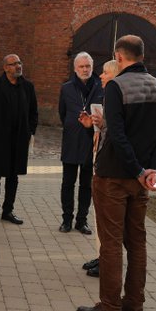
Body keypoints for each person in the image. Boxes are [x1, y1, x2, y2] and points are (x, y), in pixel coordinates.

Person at [77, 34, 156, 311]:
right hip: (141, 179)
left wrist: (137, 170)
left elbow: (116, 134)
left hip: (114, 176)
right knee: (137, 242)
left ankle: (109, 307)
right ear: (142, 55)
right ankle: (134, 303)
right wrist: (151, 169)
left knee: (111, 243)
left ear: (119, 57)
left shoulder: (117, 86)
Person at [0, 54, 39, 224]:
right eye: (13, 64)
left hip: (19, 140)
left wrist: (29, 131)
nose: (18, 66)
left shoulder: (27, 87)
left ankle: (8, 210)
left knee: (13, 177)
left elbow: (33, 112)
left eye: (19, 63)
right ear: (5, 68)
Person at [81, 58, 119, 279]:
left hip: (112, 166)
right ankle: (101, 254)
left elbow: (117, 133)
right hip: (101, 159)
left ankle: (108, 261)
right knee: (100, 216)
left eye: (106, 72)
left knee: (109, 218)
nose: (101, 76)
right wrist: (92, 125)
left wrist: (103, 124)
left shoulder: (118, 99)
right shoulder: (106, 97)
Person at [59, 52, 103, 234]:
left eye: (88, 66)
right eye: (81, 67)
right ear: (75, 68)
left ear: (92, 67)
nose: (85, 70)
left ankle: (82, 220)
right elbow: (62, 113)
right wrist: (72, 125)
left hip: (91, 142)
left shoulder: (100, 87)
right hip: (71, 140)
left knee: (86, 184)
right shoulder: (67, 88)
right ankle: (66, 220)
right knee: (68, 183)